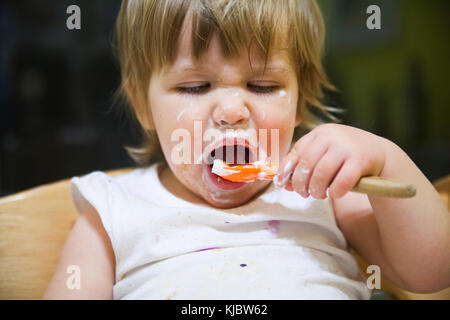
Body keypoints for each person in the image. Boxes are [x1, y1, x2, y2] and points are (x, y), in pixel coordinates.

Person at [43, 0, 449, 299]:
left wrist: (386, 158)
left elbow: (432, 271)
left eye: (263, 86)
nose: (232, 111)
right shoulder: (113, 209)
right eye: (194, 87)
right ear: (142, 105)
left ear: (299, 100)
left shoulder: (325, 193)